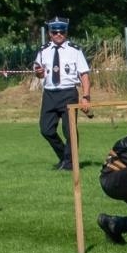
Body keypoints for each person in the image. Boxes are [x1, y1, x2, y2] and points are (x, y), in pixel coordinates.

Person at [31, 17, 91, 170]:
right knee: (46, 129)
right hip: (50, 94)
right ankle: (65, 156)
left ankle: (70, 163)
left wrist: (86, 96)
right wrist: (39, 73)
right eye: (55, 32)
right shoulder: (43, 50)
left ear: (66, 32)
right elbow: (39, 73)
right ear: (50, 33)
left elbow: (84, 75)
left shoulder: (75, 50)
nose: (58, 34)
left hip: (68, 93)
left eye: (62, 32)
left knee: (69, 130)